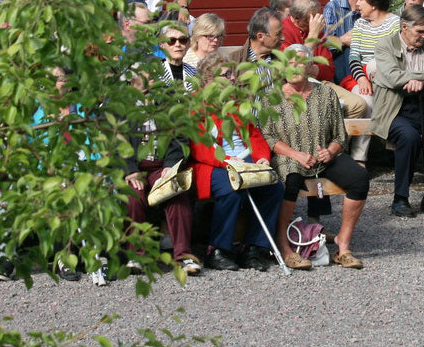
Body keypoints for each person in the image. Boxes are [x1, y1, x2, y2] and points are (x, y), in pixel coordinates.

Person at [263, 44, 369, 269]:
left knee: (359, 179)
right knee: (291, 178)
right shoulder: (272, 98)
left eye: (299, 62)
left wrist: (330, 151)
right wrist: (296, 154)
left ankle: (343, 245)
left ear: (310, 66)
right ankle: (284, 245)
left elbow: (340, 136)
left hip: (322, 158)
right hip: (289, 156)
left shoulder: (326, 93)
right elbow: (268, 138)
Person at [191, 54, 283, 271]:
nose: (233, 78)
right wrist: (226, 162)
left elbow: (254, 135)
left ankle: (254, 247)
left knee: (273, 186)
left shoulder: (237, 101)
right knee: (232, 189)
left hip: (244, 159)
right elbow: (198, 146)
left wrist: (262, 158)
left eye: (232, 73)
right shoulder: (196, 105)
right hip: (213, 163)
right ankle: (218, 250)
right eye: (226, 75)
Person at [123, 23, 200, 275]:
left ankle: (183, 254)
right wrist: (130, 170)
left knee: (175, 191)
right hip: (135, 167)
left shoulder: (167, 100)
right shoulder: (121, 105)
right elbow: (116, 144)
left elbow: (180, 137)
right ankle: (138, 255)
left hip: (160, 164)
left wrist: (170, 165)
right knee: (133, 196)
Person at [368, 5, 424, 218]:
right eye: (420, 31)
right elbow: (393, 77)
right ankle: (400, 198)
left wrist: (422, 83)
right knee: (409, 137)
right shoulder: (385, 45)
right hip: (394, 109)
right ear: (404, 27)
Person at [286, 0, 368, 118]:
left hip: (320, 83)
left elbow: (329, 70)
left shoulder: (317, 31)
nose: (316, 22)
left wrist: (314, 69)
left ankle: (337, 136)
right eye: (311, 18)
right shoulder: (284, 31)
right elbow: (295, 71)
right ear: (296, 19)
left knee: (358, 105)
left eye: (317, 16)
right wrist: (312, 36)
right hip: (296, 87)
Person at [348, 0, 400, 161]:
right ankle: (358, 158)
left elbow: (394, 57)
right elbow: (353, 57)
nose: (357, 4)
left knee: (376, 63)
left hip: (387, 77)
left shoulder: (395, 23)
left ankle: (393, 148)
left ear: (373, 2)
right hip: (363, 79)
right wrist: (361, 79)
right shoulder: (360, 25)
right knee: (363, 101)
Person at [225, 7, 283, 92]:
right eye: (278, 34)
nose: (283, 38)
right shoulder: (233, 61)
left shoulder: (282, 61)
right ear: (260, 36)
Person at [323, 0, 368, 80]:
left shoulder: (370, 8)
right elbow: (326, 46)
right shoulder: (333, 7)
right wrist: (343, 40)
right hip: (340, 64)